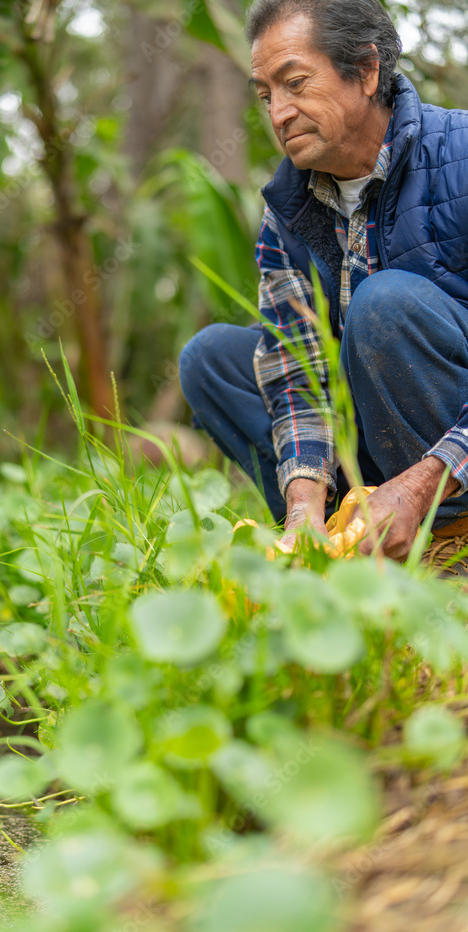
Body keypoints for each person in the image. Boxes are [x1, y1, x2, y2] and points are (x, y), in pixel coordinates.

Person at [178, 0, 468, 560]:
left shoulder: (459, 155)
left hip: (452, 452)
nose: (279, 113)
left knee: (382, 304)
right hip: (372, 440)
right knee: (210, 357)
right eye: (266, 95)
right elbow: (297, 372)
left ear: (366, 71)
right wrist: (304, 505)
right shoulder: (286, 210)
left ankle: (447, 528)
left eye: (295, 83)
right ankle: (329, 540)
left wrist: (424, 484)